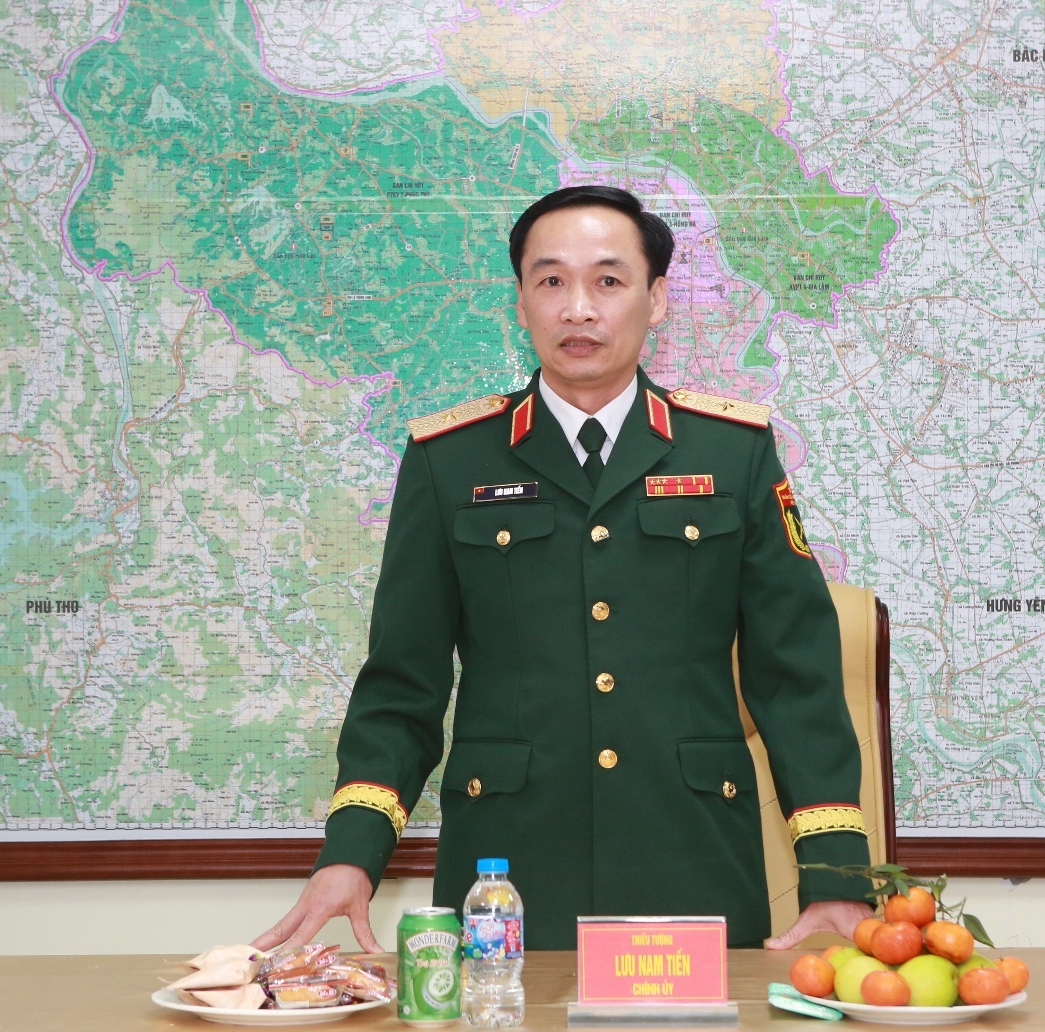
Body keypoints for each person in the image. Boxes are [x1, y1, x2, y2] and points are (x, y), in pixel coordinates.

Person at [254, 185, 875, 954]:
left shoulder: (732, 452)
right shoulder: (450, 461)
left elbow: (795, 675)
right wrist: (351, 856)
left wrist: (836, 875)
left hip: (691, 856)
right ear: (520, 303)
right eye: (550, 281)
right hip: (506, 870)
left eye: (608, 281)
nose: (578, 309)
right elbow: (402, 683)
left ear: (656, 299)